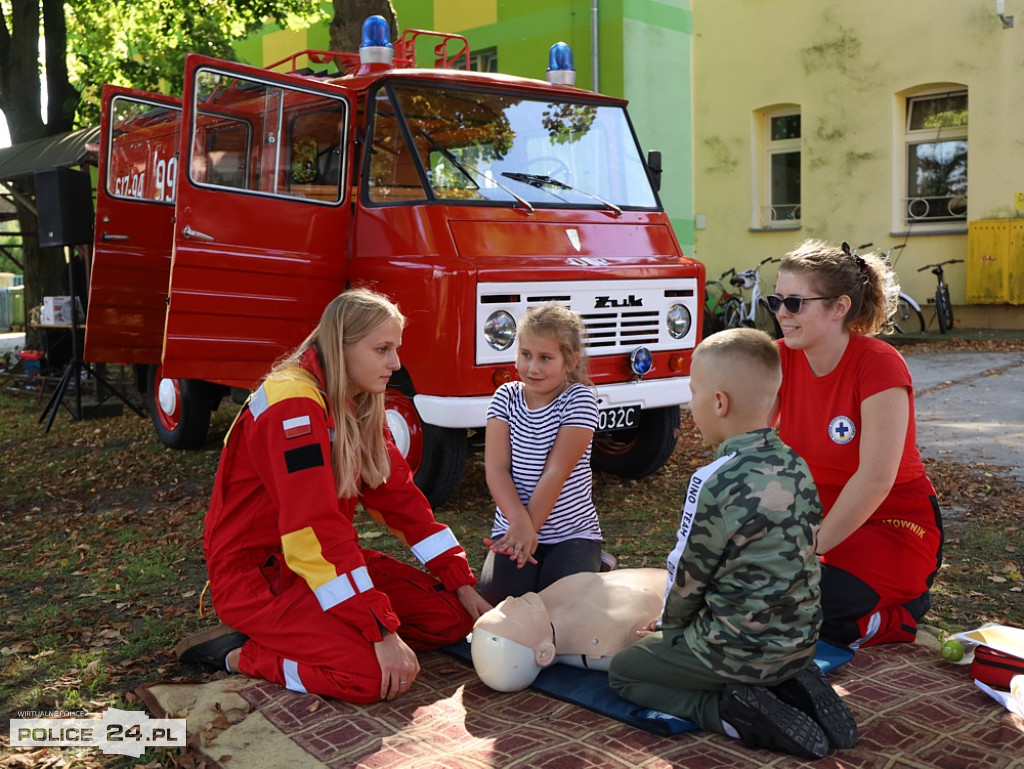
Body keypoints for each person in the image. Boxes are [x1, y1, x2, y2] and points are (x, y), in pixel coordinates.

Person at [176, 288, 491, 703]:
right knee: (369, 676)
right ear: (340, 346)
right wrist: (379, 629)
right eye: (382, 349)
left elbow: (403, 504)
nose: (395, 364)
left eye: (395, 349)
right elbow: (313, 530)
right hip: (260, 576)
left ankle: (317, 631)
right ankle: (239, 653)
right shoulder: (292, 406)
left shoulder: (355, 402)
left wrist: (462, 584)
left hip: (317, 568)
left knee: (449, 619)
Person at [608, 328, 857, 760]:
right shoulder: (796, 465)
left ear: (719, 403)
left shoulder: (715, 480)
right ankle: (789, 681)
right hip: (800, 639)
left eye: (693, 393)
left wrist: (670, 627)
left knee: (625, 673)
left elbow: (688, 576)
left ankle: (727, 710)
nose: (690, 406)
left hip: (734, 649)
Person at [770, 240, 943, 648]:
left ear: (839, 307)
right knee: (758, 594)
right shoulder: (776, 358)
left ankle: (896, 617)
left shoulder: (878, 363)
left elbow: (875, 479)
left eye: (795, 302)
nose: (780, 313)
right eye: (776, 300)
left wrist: (805, 552)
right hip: (818, 523)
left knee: (807, 603)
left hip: (893, 524)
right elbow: (750, 452)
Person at [476, 304, 604, 605]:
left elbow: (555, 472)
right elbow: (496, 469)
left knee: (559, 606)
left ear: (570, 360)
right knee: (501, 605)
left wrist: (527, 530)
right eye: (526, 354)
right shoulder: (505, 398)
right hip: (513, 527)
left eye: (546, 358)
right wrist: (519, 526)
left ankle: (593, 561)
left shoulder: (579, 399)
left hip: (572, 533)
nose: (532, 368)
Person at [471, 568, 669, 691]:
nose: (508, 602)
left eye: (498, 608)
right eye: (509, 617)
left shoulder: (543, 606)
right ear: (544, 653)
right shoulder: (599, 643)